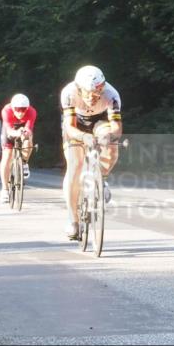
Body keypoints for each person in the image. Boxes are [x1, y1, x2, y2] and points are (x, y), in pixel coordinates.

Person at [61, 65, 122, 239]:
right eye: (90, 93)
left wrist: (109, 137)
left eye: (99, 92)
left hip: (101, 121)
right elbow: (70, 128)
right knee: (75, 164)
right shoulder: (68, 93)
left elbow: (117, 128)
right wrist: (83, 137)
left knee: (111, 148)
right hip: (76, 123)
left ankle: (100, 178)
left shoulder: (112, 95)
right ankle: (73, 220)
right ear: (79, 89)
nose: (95, 97)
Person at [0, 93, 37, 203]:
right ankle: (5, 189)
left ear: (27, 108)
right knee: (7, 156)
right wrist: (17, 133)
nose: (20, 112)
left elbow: (29, 128)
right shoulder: (6, 111)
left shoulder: (32, 112)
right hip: (10, 129)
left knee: (29, 140)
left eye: (23, 109)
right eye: (17, 109)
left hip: (23, 128)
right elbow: (9, 130)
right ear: (13, 107)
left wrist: (25, 134)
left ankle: (24, 163)